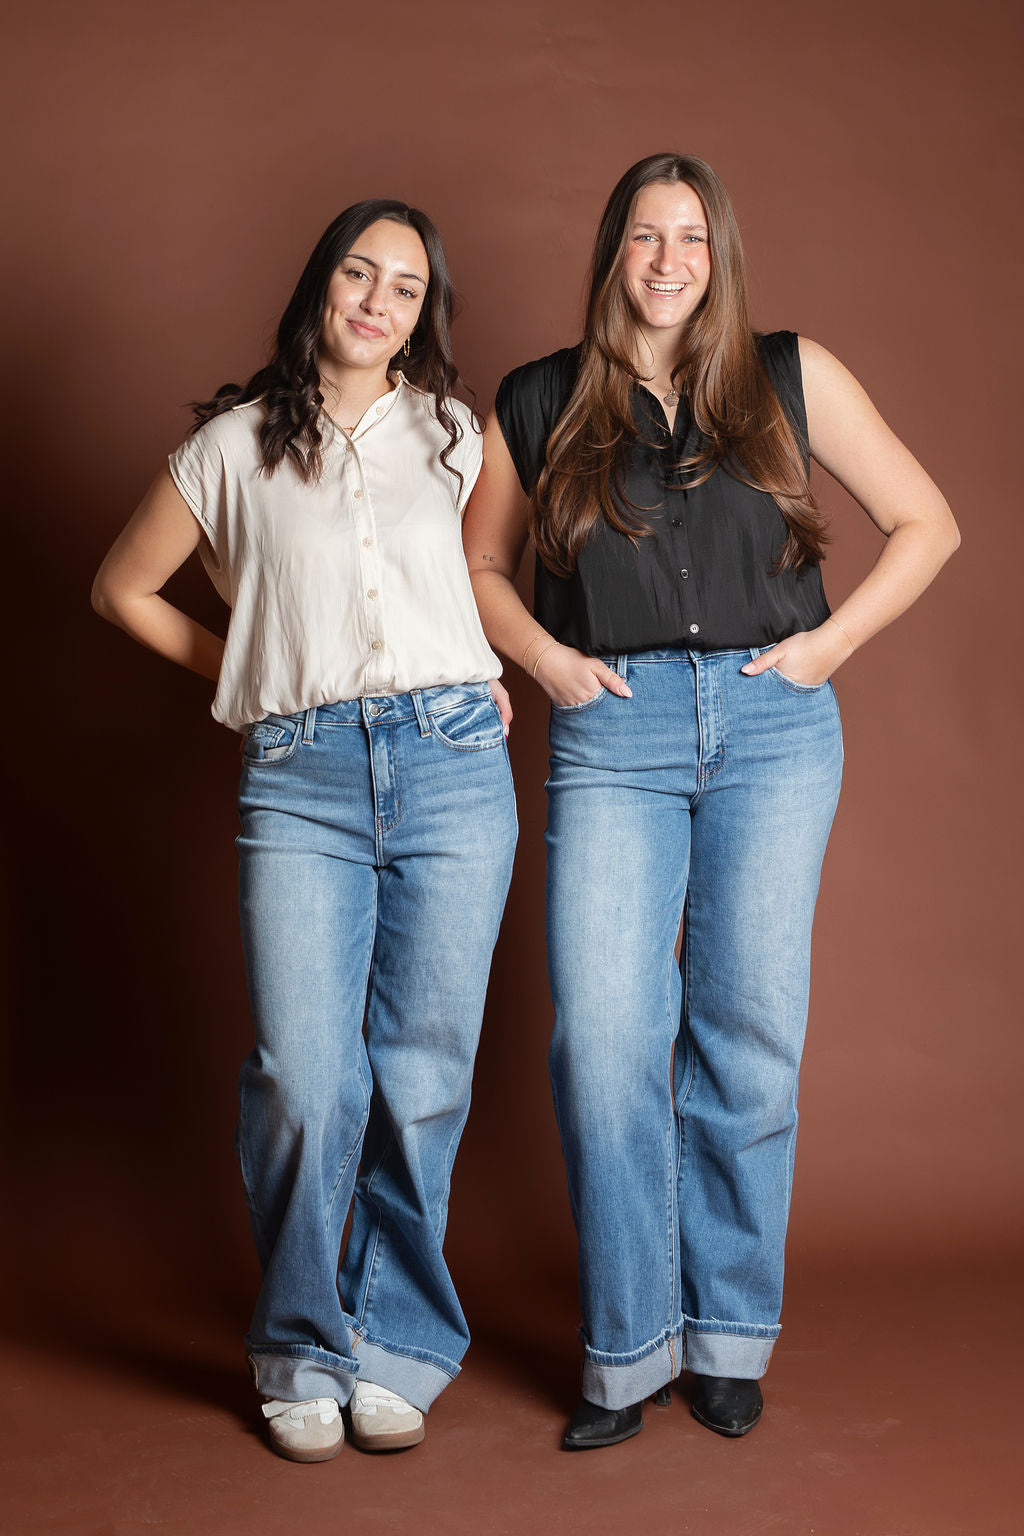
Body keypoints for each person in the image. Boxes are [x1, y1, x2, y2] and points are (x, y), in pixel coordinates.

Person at [462, 152, 958, 1450]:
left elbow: (927, 523)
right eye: (645, 236)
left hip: (773, 729)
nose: (668, 261)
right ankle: (628, 1348)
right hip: (611, 732)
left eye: (690, 238)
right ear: (612, 252)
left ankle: (729, 1337)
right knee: (604, 1042)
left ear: (719, 255)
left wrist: (825, 650)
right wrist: (547, 660)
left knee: (747, 1035)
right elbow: (480, 566)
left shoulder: (791, 376)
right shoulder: (539, 397)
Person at [92, 200, 518, 1463]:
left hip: (453, 763)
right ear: (320, 287)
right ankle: (299, 1345)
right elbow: (120, 588)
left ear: (423, 315)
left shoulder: (457, 435)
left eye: (405, 287)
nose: (377, 301)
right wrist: (248, 678)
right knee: (304, 1075)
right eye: (358, 273)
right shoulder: (230, 447)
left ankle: (394, 1345)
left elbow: (489, 577)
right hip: (300, 773)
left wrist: (494, 666)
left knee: (424, 1072)